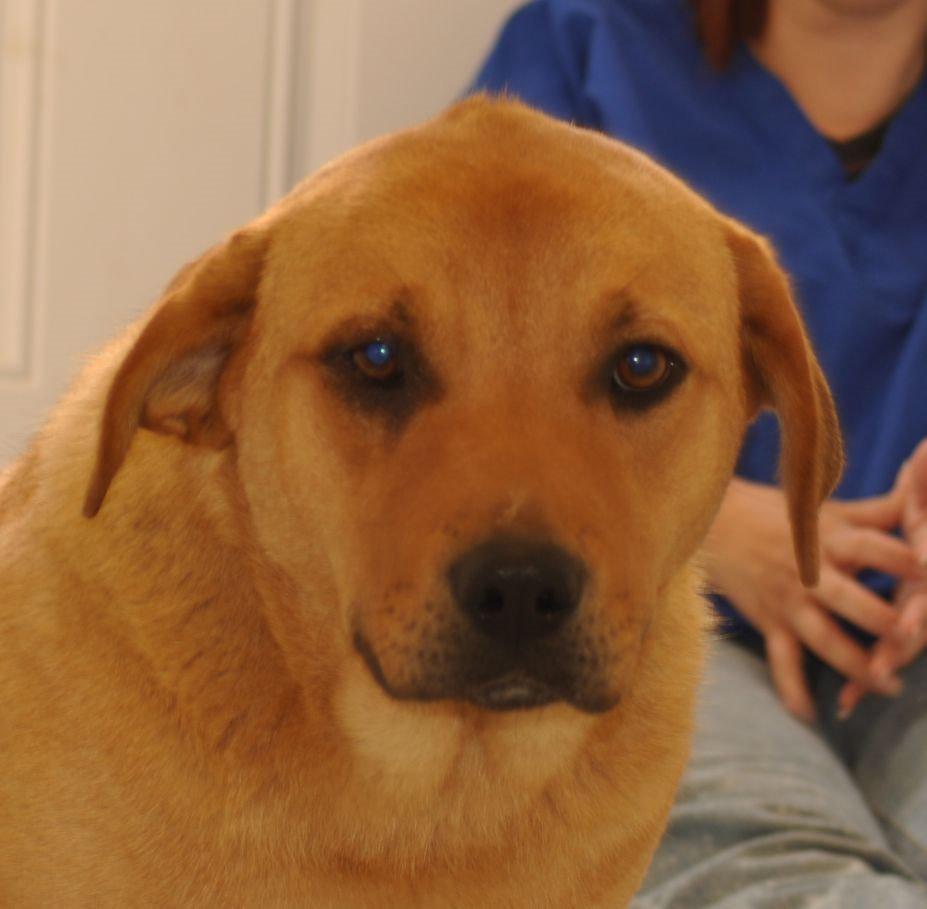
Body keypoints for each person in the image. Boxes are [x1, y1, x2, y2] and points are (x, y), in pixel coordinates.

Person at [470, 0, 927, 904]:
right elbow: (456, 392)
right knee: (780, 882)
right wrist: (710, 524)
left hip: (907, 650)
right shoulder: (587, 49)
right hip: (663, 624)